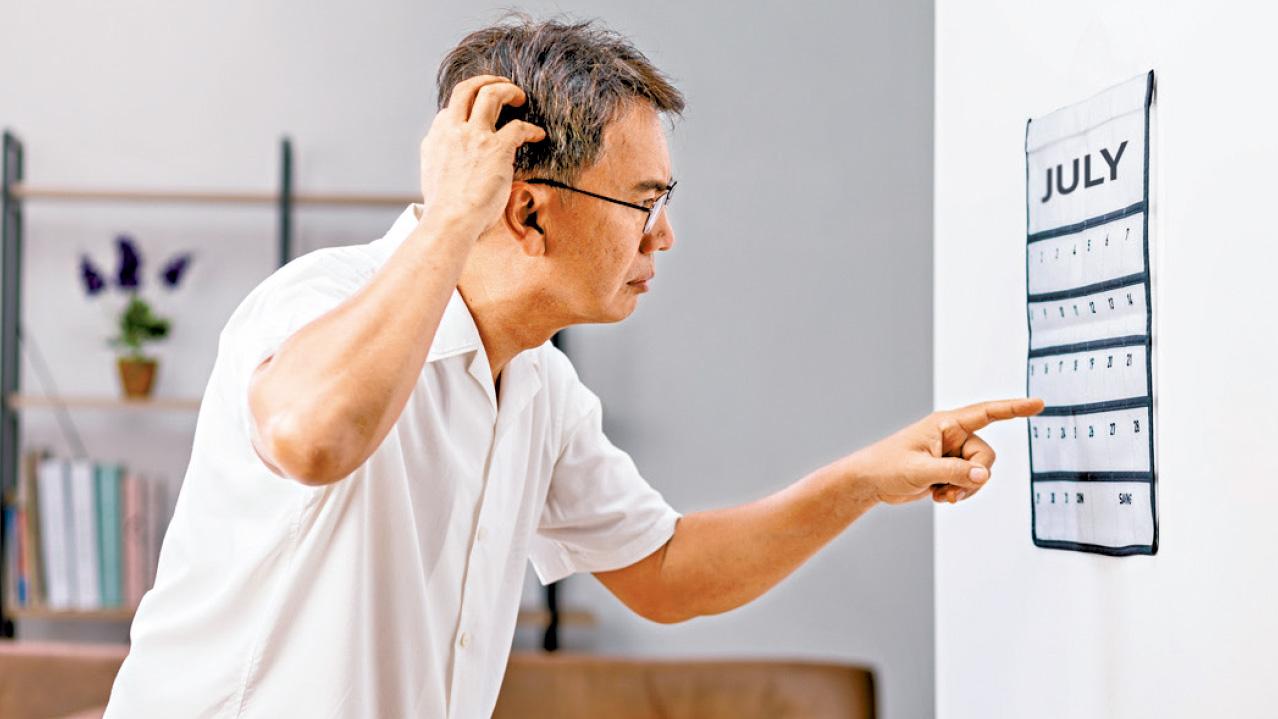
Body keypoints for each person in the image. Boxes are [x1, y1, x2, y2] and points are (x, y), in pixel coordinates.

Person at [104, 16, 1042, 718]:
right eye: (643, 201)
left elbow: (667, 571)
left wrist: (865, 479)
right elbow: (314, 439)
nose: (663, 235)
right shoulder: (316, 299)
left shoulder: (540, 388)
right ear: (526, 210)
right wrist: (451, 215)